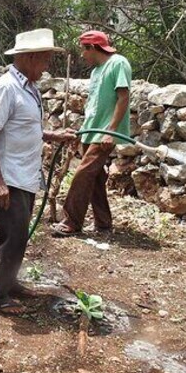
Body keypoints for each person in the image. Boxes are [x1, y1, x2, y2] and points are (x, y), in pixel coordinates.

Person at [0, 28, 76, 313]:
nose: (46, 68)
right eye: (45, 60)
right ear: (31, 57)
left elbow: (23, 127)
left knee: (15, 235)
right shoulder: (5, 87)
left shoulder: (28, 87)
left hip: (25, 174)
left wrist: (52, 135)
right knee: (15, 237)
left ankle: (9, 283)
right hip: (10, 176)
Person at [53, 30, 131, 237]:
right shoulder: (96, 71)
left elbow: (123, 97)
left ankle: (71, 222)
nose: (81, 55)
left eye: (83, 50)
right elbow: (94, 106)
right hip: (91, 131)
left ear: (93, 47)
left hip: (104, 132)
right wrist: (82, 132)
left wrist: (111, 131)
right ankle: (103, 224)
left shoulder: (118, 63)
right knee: (95, 177)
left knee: (82, 173)